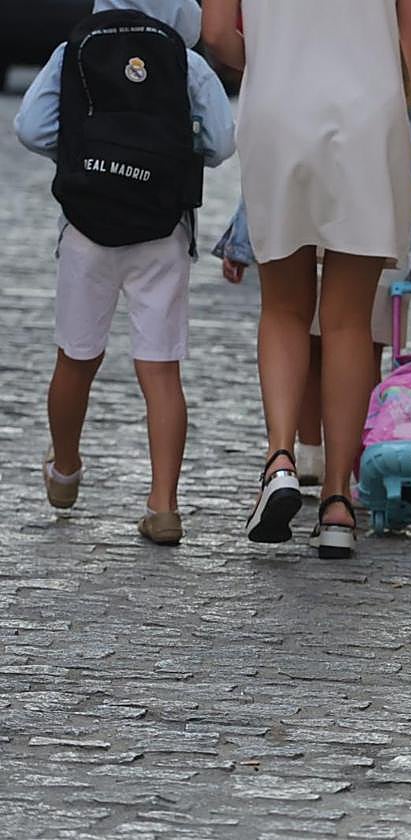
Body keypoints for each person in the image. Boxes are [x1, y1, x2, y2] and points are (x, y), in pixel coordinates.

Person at [202, 0, 411, 559]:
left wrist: (272, 59)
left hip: (277, 112)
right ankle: (338, 501)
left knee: (284, 309)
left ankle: (281, 460)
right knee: (347, 322)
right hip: (367, 116)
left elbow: (216, 33)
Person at [14, 0, 235, 547]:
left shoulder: (73, 51)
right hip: (162, 228)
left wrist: (79, 155)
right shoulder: (186, 61)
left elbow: (30, 128)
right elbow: (221, 142)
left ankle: (65, 469)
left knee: (75, 358)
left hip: (87, 225)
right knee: (161, 370)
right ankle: (163, 505)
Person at [213, 96, 411, 488]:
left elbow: (268, 165)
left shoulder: (301, 86)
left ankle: (317, 453)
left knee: (309, 341)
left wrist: (242, 238)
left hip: (313, 229)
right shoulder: (396, 99)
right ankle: (341, 466)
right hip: (372, 232)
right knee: (353, 344)